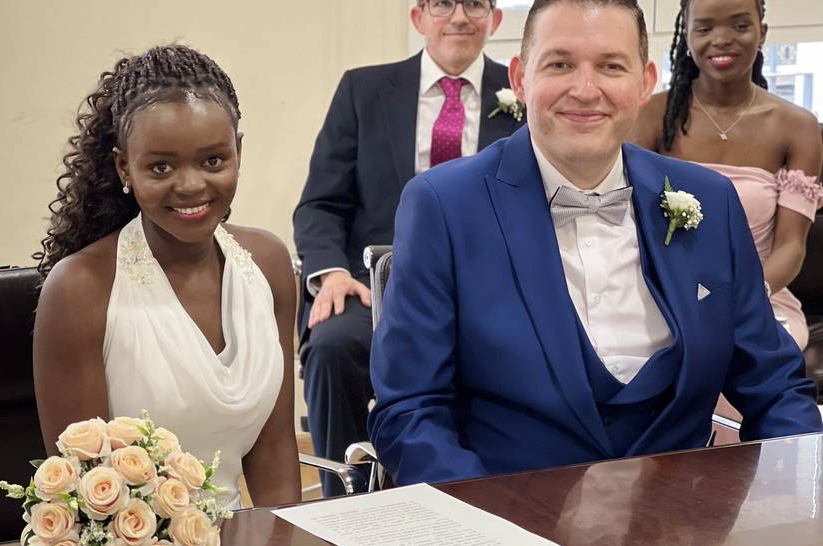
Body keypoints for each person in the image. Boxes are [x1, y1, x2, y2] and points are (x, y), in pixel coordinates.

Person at [368, 0, 823, 485]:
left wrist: (800, 500)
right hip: (511, 520)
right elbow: (410, 410)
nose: (586, 91)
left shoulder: (711, 200)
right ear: (521, 78)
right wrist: (485, 527)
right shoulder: (442, 205)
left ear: (645, 83)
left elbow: (775, 386)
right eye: (560, 64)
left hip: (682, 529)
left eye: (611, 66)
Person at [32, 45, 301, 508]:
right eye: (161, 167)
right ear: (124, 168)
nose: (192, 185)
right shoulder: (81, 289)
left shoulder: (269, 263)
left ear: (238, 151)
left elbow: (274, 450)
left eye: (213, 160)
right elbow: (81, 494)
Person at [293, 0, 523, 495]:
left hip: (488, 292)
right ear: (418, 17)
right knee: (332, 346)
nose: (459, 17)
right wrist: (331, 272)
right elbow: (319, 204)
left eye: (476, 4)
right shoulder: (363, 90)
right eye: (443, 3)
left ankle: (481, 495)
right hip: (372, 290)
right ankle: (345, 505)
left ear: (496, 20)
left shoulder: (524, 92)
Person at [631, 0, 823, 351]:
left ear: (762, 32)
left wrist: (739, 300)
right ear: (687, 36)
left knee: (742, 353)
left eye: (739, 26)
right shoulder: (650, 115)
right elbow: (627, 225)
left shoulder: (799, 127)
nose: (721, 39)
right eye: (704, 29)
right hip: (664, 292)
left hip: (759, 295)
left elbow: (791, 247)